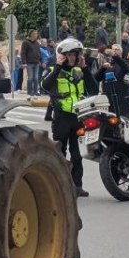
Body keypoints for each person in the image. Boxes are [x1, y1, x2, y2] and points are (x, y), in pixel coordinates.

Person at [42, 38, 88, 197]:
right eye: (69, 54)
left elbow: (93, 88)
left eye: (75, 54)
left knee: (77, 154)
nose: (73, 58)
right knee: (60, 153)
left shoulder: (78, 71)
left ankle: (77, 186)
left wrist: (85, 69)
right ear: (62, 55)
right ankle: (61, 186)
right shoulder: (52, 70)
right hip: (62, 118)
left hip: (78, 117)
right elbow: (45, 86)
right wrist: (58, 67)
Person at [20, 29, 42, 96]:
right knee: (30, 78)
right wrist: (24, 62)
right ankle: (29, 92)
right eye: (35, 34)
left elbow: (38, 52)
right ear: (31, 34)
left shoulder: (37, 43)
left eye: (36, 34)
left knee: (36, 78)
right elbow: (23, 53)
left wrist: (40, 60)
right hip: (29, 63)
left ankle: (35, 91)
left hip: (36, 62)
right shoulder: (25, 42)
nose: (36, 35)